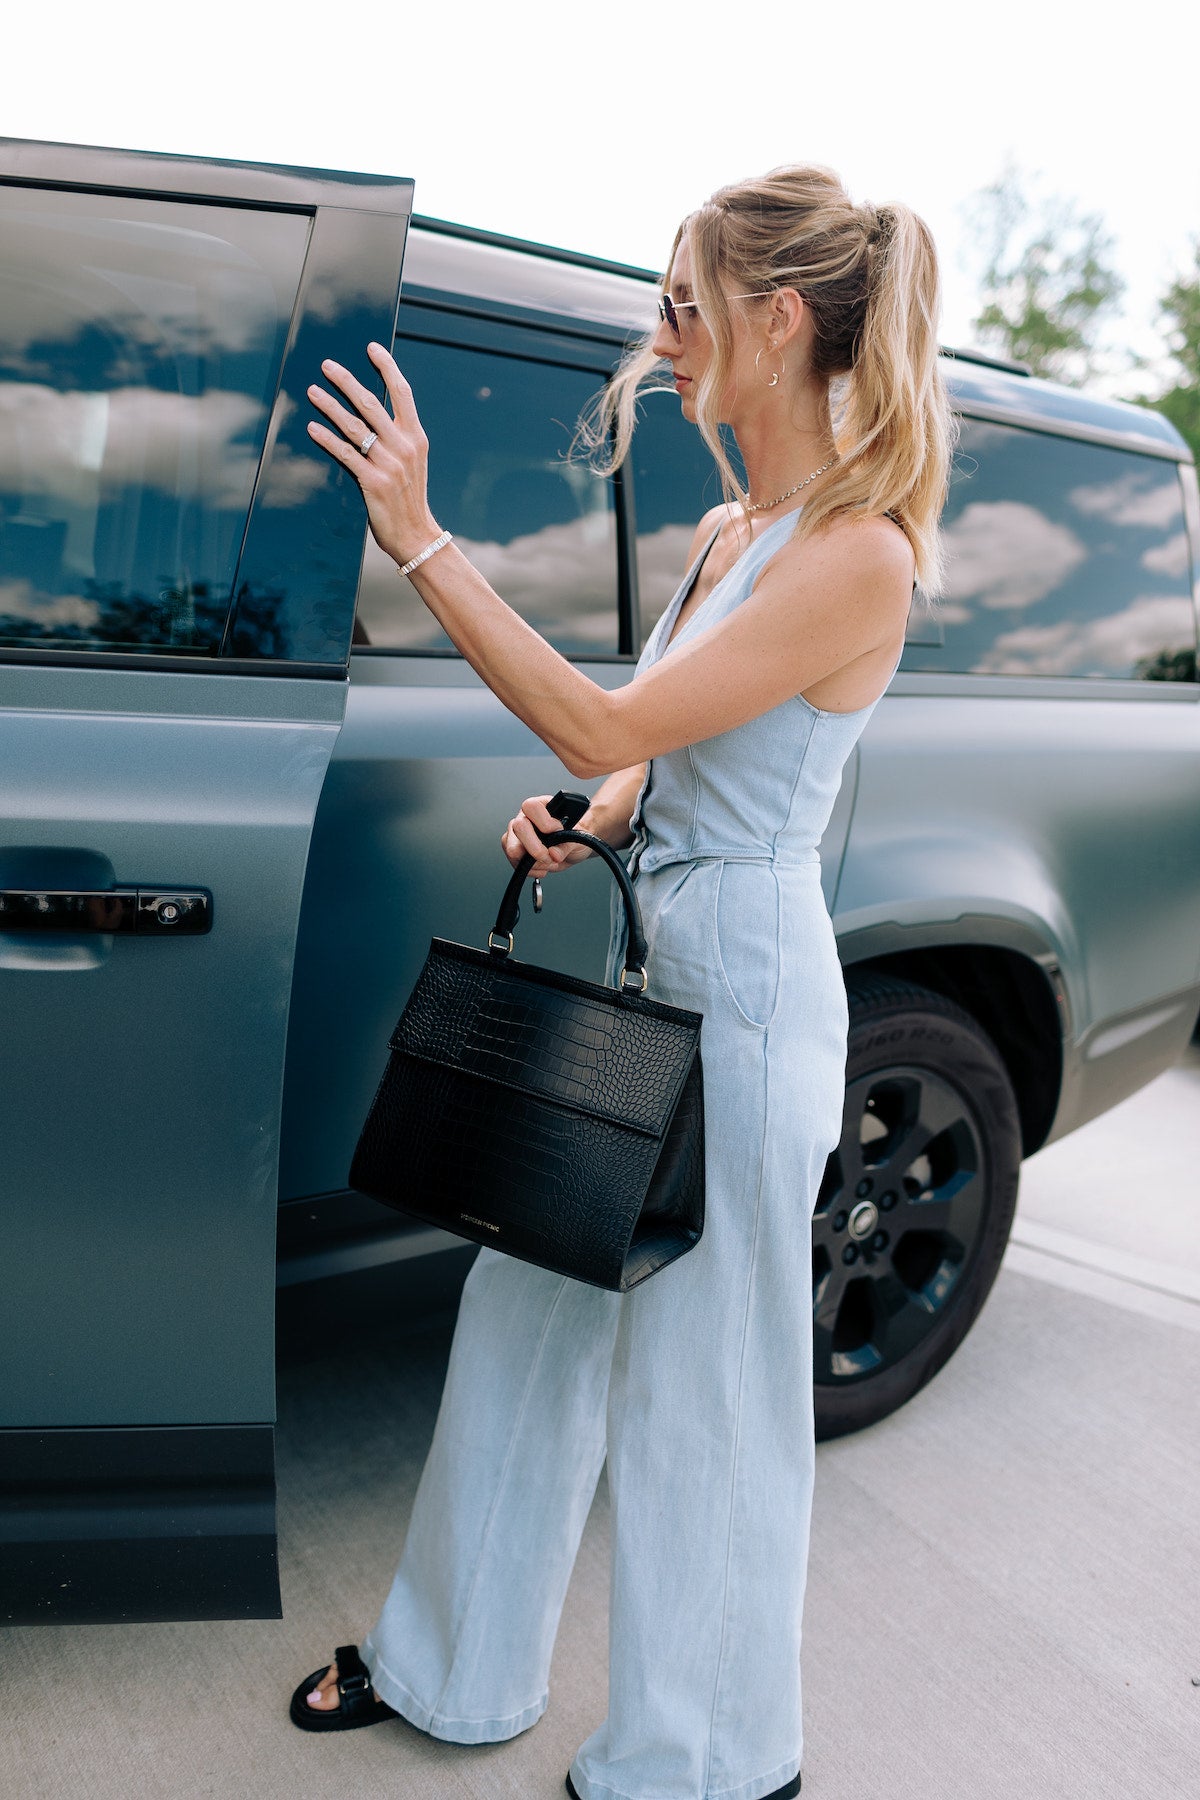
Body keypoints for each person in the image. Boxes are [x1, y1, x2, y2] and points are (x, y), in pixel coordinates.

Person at [291, 163, 955, 1800]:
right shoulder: (737, 531)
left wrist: (423, 541)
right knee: (523, 1313)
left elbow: (604, 716)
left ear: (776, 319)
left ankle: (709, 1762)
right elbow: (645, 757)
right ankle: (454, 1672)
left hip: (745, 991)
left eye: (680, 304)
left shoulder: (860, 555)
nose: (658, 336)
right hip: (648, 952)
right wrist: (584, 818)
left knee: (711, 1401)